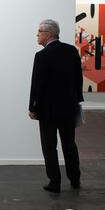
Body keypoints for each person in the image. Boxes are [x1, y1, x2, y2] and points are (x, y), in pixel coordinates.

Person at [29, 19, 84, 194]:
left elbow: (37, 84)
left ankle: (55, 182)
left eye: (39, 32)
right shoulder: (71, 51)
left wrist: (32, 107)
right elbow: (78, 79)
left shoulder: (42, 55)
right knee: (70, 144)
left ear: (48, 34)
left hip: (47, 110)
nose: (37, 35)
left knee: (49, 146)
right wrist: (77, 100)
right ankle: (75, 179)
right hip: (69, 108)